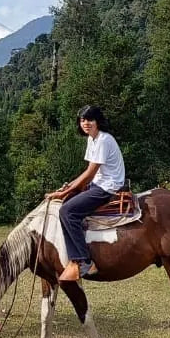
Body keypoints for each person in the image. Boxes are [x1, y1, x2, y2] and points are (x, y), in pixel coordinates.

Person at [46, 105, 127, 282]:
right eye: (82, 120)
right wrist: (67, 189)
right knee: (66, 203)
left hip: (108, 187)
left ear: (98, 121)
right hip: (98, 183)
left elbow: (90, 174)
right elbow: (87, 173)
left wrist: (65, 192)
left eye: (90, 119)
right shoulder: (92, 139)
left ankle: (85, 260)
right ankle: (73, 259)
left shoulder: (104, 140)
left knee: (67, 211)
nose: (86, 123)